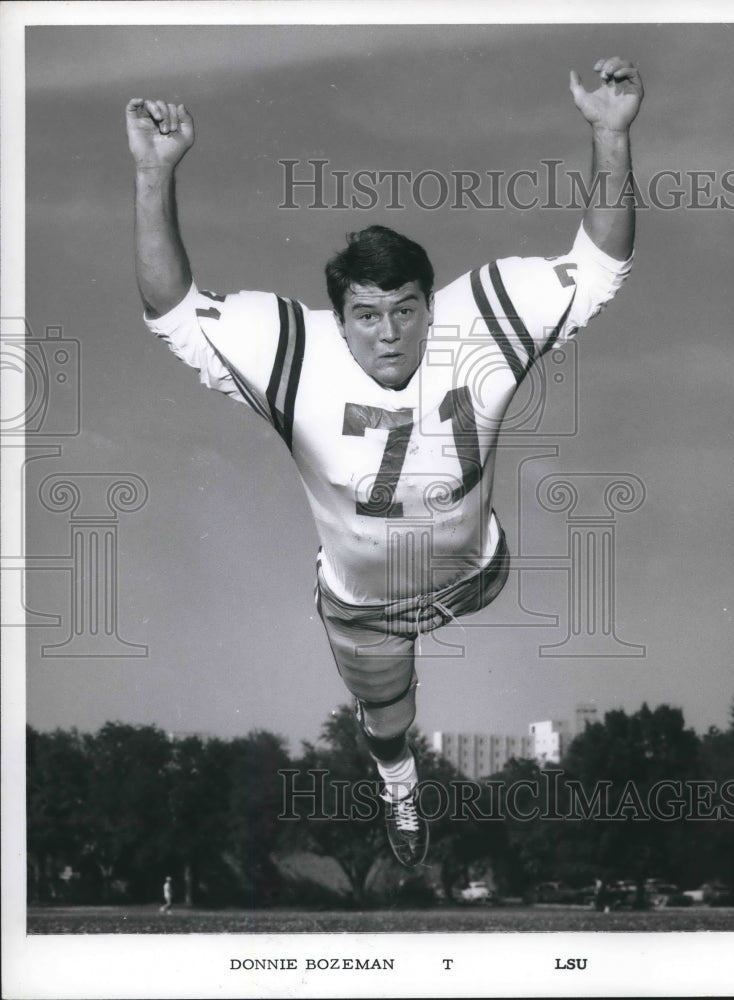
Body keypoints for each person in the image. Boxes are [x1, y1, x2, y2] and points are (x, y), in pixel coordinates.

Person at [126, 57, 643, 870]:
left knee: (448, 609)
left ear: (431, 306)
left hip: (475, 571)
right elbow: (172, 309)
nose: (389, 332)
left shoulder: (483, 320)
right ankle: (398, 788)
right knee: (386, 720)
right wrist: (154, 174)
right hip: (365, 603)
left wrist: (610, 134)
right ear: (337, 318)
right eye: (366, 315)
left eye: (405, 310)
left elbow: (600, 263)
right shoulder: (289, 349)